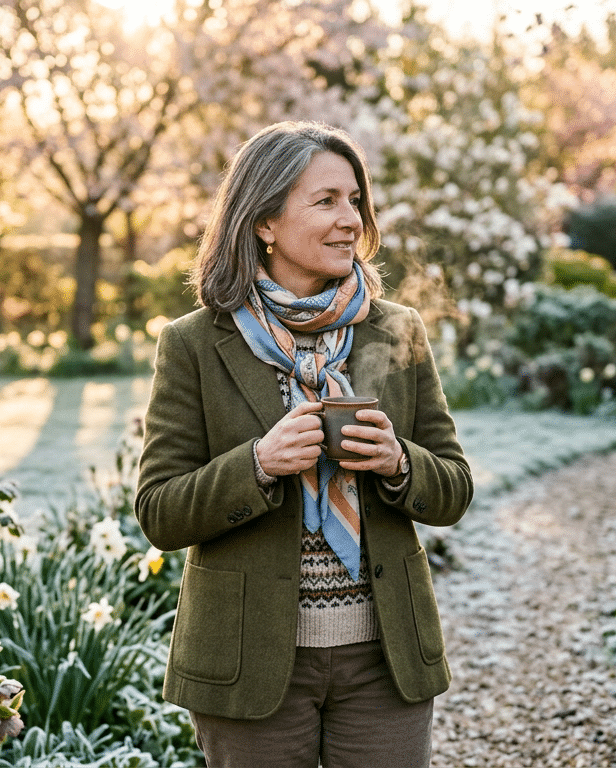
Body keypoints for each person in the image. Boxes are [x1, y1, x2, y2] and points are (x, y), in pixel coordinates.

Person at [135, 120, 473, 768]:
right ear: (264, 220)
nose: (351, 219)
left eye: (355, 200)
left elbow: (454, 488)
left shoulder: (396, 331)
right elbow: (160, 511)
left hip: (386, 659)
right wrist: (258, 464)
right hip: (251, 663)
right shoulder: (195, 343)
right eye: (326, 201)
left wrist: (399, 463)